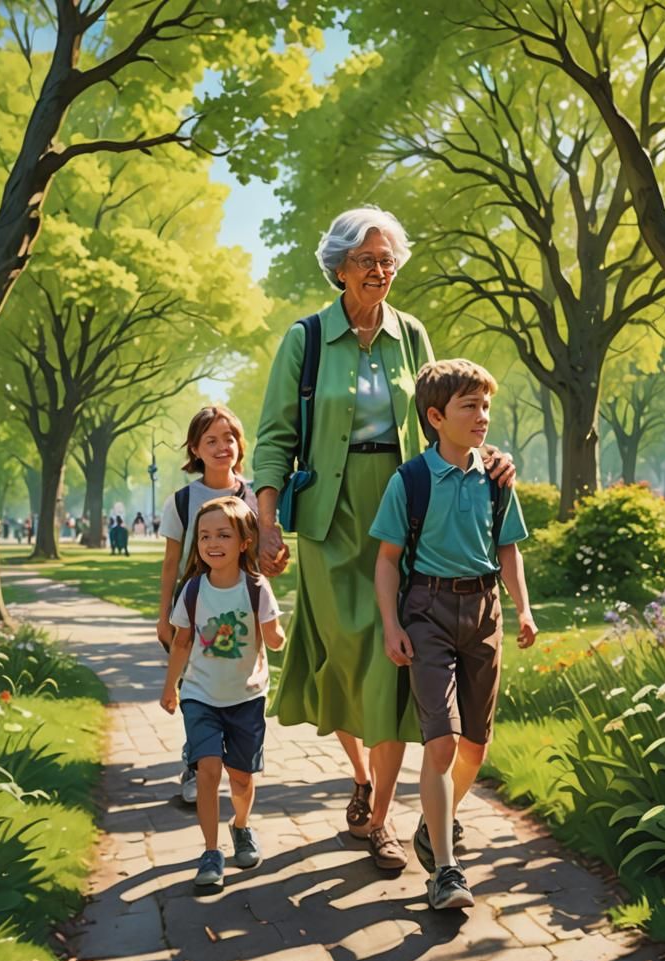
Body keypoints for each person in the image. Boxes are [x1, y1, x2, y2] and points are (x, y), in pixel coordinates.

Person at [254, 206, 514, 870]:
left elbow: (443, 420)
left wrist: (487, 462)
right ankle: (364, 777)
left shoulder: (412, 336)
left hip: (403, 512)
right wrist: (266, 518)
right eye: (368, 260)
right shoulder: (305, 340)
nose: (381, 270)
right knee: (347, 663)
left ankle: (379, 821)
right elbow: (276, 438)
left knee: (391, 665)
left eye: (388, 259)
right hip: (329, 521)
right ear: (339, 266)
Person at [371, 358, 537, 909]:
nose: (483, 416)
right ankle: (445, 870)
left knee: (476, 747)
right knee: (440, 741)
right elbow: (388, 560)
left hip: (484, 610)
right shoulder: (411, 481)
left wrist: (523, 610)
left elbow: (508, 549)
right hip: (427, 612)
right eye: (471, 407)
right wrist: (393, 623)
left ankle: (431, 821)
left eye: (486, 406)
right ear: (436, 416)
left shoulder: (495, 479)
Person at [159, 496, 285, 888]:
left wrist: (278, 635)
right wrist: (170, 689)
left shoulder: (256, 588)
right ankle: (211, 851)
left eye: (223, 535)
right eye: (205, 536)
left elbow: (275, 639)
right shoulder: (193, 590)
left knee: (242, 778)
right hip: (200, 695)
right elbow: (181, 643)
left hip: (246, 696)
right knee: (208, 770)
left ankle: (241, 825)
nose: (213, 543)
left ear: (244, 541)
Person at [157, 406, 259, 806]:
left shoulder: (253, 495)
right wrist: (164, 615)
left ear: (240, 445)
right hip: (196, 607)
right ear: (196, 449)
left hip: (241, 609)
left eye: (229, 438)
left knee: (234, 681)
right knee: (195, 684)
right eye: (211, 440)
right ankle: (197, 760)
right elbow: (170, 563)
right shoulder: (182, 501)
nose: (222, 447)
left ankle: (237, 760)